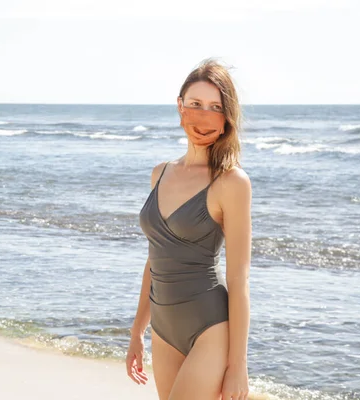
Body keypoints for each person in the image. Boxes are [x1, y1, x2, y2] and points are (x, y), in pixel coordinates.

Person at [126, 58, 252, 400]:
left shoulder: (231, 182)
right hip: (164, 329)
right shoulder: (160, 173)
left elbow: (239, 279)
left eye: (215, 107)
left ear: (226, 118)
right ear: (180, 106)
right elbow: (155, 258)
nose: (203, 115)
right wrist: (138, 329)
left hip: (209, 326)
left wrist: (237, 365)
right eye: (195, 104)